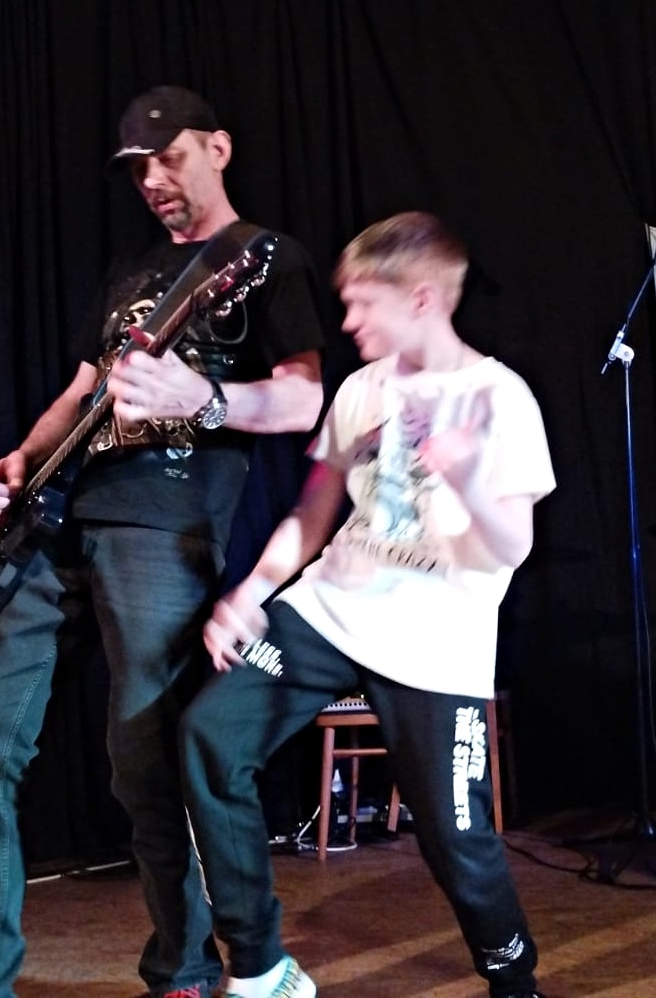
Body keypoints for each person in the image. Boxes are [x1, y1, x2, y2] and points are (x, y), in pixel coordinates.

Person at [0, 86, 325, 998]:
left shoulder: (265, 258)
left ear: (218, 148)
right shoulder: (129, 269)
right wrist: (18, 462)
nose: (153, 179)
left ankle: (181, 968)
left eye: (170, 157)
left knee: (143, 765)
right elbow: (82, 392)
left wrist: (207, 399)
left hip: (162, 524)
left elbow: (306, 398)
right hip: (54, 519)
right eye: (139, 167)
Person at [180, 211, 555, 998]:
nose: (346, 320)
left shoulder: (499, 398)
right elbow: (314, 512)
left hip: (436, 639)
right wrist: (250, 592)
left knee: (456, 838)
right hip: (332, 608)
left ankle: (514, 981)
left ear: (421, 299)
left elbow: (510, 547)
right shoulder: (361, 390)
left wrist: (462, 475)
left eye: (361, 303)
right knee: (210, 736)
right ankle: (259, 966)